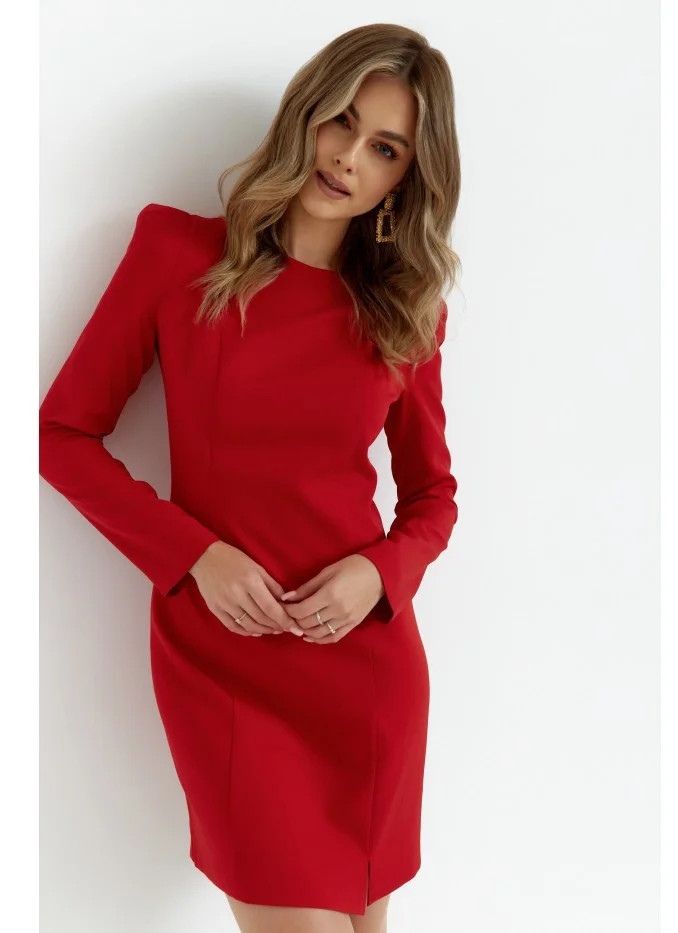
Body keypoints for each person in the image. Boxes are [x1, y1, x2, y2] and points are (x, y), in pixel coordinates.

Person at [39, 22, 461, 933]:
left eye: (384, 148)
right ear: (307, 111)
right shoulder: (176, 255)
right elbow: (62, 435)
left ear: (403, 180)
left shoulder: (404, 314)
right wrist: (195, 554)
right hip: (224, 665)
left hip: (366, 671)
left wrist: (379, 573)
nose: (348, 156)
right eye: (342, 120)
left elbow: (433, 496)